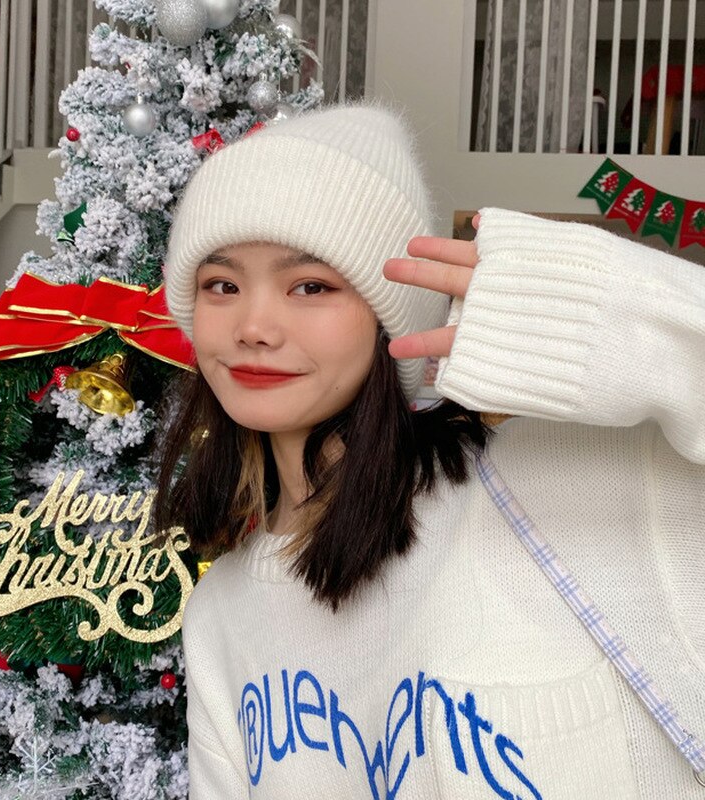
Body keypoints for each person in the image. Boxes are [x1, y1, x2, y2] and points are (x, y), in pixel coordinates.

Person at [156, 102, 705, 799]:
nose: (254, 326)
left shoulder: (568, 483)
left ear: (394, 316)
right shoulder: (221, 617)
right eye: (222, 286)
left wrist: (600, 306)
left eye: (311, 286)